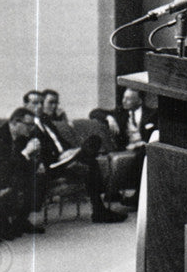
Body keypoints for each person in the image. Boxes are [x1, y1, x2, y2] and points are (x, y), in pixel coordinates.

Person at [22, 90, 126, 224]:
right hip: (51, 165)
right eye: (35, 103)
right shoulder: (26, 125)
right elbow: (34, 150)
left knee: (93, 144)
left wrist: (70, 151)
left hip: (64, 159)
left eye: (41, 103)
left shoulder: (45, 120)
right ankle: (99, 210)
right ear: (25, 105)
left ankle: (99, 209)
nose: (40, 106)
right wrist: (60, 156)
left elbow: (60, 141)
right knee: (90, 159)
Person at [0, 107, 45, 237]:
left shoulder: (21, 138)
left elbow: (19, 163)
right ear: (14, 122)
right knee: (18, 179)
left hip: (7, 174)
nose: (31, 129)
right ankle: (3, 224)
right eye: (28, 125)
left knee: (38, 178)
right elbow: (4, 166)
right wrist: (26, 152)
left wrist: (37, 161)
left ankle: (20, 221)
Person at [90, 87, 155, 206]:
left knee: (143, 153)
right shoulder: (120, 112)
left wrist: (146, 142)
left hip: (144, 147)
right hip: (127, 148)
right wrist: (109, 118)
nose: (124, 101)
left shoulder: (152, 113)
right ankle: (114, 191)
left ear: (139, 101)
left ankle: (137, 195)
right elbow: (94, 113)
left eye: (128, 99)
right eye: (124, 97)